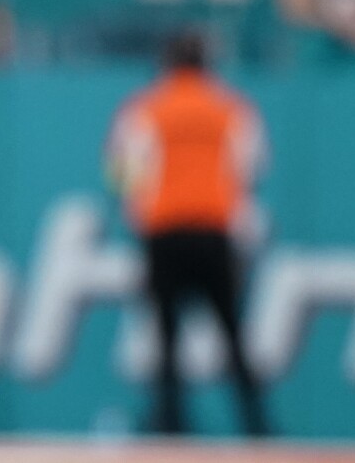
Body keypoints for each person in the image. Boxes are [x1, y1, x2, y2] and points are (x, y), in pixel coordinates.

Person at [106, 32, 269, 436]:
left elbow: (122, 173)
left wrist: (145, 199)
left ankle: (172, 426)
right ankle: (257, 428)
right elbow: (252, 165)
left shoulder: (146, 109)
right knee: (233, 333)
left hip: (164, 232)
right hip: (215, 230)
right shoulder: (230, 109)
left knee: (166, 336)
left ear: (166, 64)